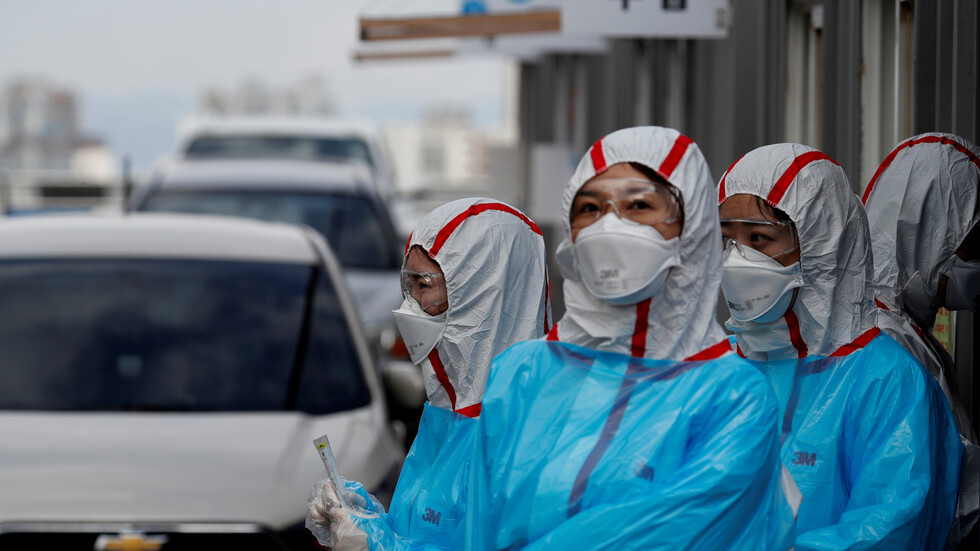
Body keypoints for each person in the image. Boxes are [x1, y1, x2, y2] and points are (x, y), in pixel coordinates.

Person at [463, 127, 797, 550]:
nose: (610, 225)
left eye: (638, 205)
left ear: (691, 228)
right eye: (589, 207)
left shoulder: (733, 397)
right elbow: (477, 529)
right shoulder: (521, 374)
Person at [717, 142, 963, 550]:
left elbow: (887, 529)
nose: (736, 261)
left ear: (820, 246)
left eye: (759, 239)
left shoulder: (885, 380)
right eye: (728, 241)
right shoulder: (721, 367)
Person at [307, 198, 551, 551]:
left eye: (424, 285)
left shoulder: (525, 432)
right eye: (409, 286)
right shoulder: (448, 413)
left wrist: (375, 545)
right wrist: (365, 519)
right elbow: (427, 533)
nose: (410, 307)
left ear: (484, 290)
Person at [862, 132, 979, 547]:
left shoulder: (904, 329)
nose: (975, 264)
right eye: (971, 246)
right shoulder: (886, 340)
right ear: (927, 233)